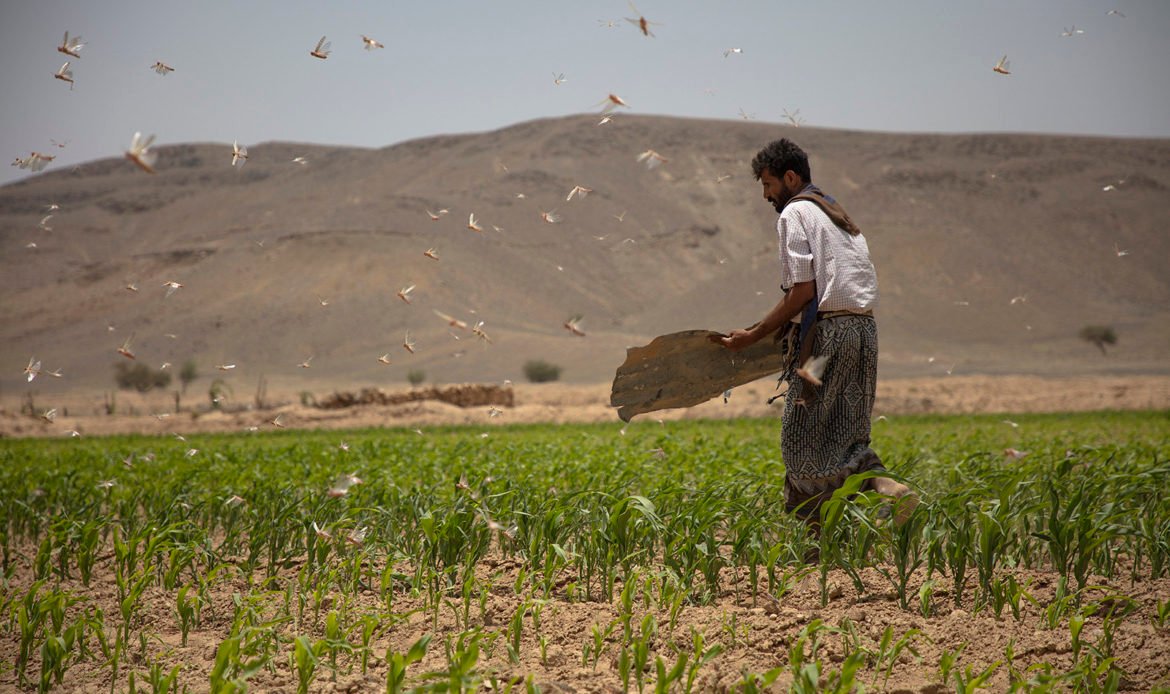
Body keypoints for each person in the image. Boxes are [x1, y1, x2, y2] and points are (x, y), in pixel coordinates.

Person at [717, 138, 916, 524]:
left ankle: (815, 552)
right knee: (847, 434)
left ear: (790, 177)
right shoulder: (836, 213)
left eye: (768, 184)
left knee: (801, 439)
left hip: (828, 338)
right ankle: (887, 487)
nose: (765, 195)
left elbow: (803, 292)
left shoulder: (795, 214)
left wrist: (752, 335)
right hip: (863, 332)